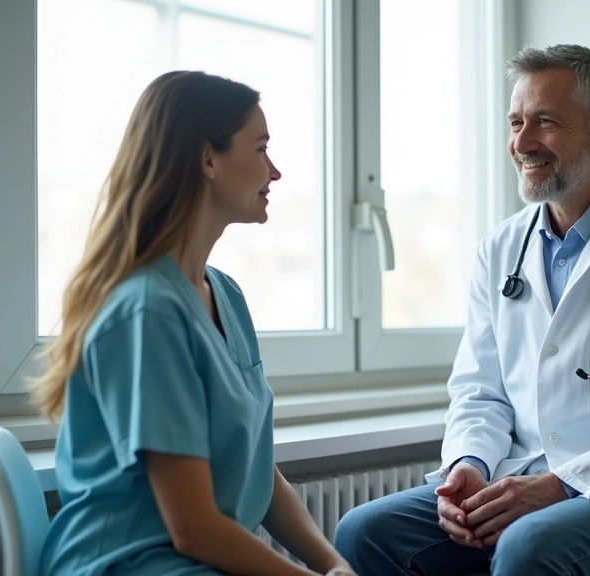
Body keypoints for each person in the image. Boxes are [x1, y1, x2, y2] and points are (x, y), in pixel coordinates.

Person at [334, 44, 590, 576]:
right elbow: (480, 390)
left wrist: (560, 484)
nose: (522, 142)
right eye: (516, 121)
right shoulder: (501, 247)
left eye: (545, 122)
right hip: (523, 480)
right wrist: (470, 464)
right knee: (363, 532)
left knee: (529, 547)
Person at [31, 71, 357, 576]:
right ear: (208, 158)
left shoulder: (223, 293)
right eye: (261, 149)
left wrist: (335, 564)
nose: (275, 172)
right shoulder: (145, 310)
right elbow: (194, 528)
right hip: (127, 564)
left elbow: (258, 471)